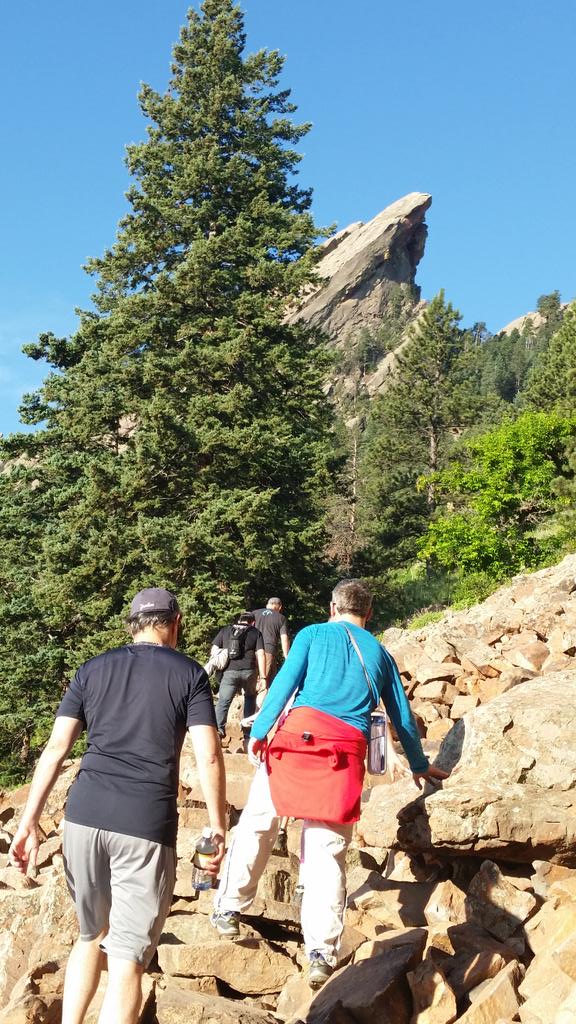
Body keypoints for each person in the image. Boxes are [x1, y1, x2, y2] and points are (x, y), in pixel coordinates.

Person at [211, 578, 448, 989]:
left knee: (259, 822)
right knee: (326, 851)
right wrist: (419, 763)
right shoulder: (380, 654)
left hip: (295, 742)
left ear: (332, 607)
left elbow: (285, 683)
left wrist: (260, 731)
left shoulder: (312, 634)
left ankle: (229, 909)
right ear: (368, 614)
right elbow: (402, 716)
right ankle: (320, 953)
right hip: (344, 753)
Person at [8, 588, 226, 1024]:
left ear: (133, 625)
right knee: (127, 960)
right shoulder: (190, 675)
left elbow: (55, 748)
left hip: (84, 817)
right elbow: (209, 755)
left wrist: (28, 821)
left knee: (91, 934)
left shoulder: (92, 669)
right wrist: (218, 826)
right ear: (176, 623)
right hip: (144, 821)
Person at [211, 612, 267, 738]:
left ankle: (219, 730)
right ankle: (247, 731)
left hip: (229, 672)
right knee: (250, 698)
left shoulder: (226, 630)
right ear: (253, 622)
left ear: (239, 620)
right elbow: (261, 654)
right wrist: (263, 676)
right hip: (249, 672)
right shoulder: (255, 632)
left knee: (223, 702)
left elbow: (214, 649)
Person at [251, 597, 290, 686]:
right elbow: (284, 638)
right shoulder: (281, 618)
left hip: (252, 649)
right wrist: (286, 656)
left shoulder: (254, 613)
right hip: (268, 650)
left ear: (267, 605)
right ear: (279, 607)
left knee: (251, 679)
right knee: (264, 681)